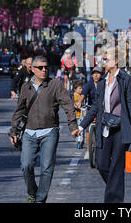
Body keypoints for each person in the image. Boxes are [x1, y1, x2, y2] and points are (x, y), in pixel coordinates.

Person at [9, 56, 78, 203]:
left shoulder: (55, 84)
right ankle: (32, 192)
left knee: (47, 168)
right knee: (26, 165)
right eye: (40, 67)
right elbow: (19, 111)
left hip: (49, 132)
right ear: (32, 69)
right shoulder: (25, 87)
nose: (44, 70)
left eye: (46, 67)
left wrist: (73, 126)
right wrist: (13, 131)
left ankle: (40, 200)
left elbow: (67, 104)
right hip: (29, 132)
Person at [77, 47, 131, 203]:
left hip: (121, 128)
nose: (103, 62)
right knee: (102, 164)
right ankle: (115, 189)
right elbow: (96, 107)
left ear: (116, 61)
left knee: (117, 166)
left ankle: (114, 201)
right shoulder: (103, 81)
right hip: (104, 127)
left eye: (106, 59)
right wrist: (81, 126)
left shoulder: (126, 79)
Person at [72, 80, 85, 149]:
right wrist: (75, 106)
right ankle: (78, 141)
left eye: (82, 88)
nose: (81, 90)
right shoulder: (73, 95)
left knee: (81, 129)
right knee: (77, 129)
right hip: (75, 115)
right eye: (79, 88)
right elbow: (72, 104)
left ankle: (81, 141)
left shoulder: (82, 96)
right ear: (75, 89)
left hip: (82, 115)